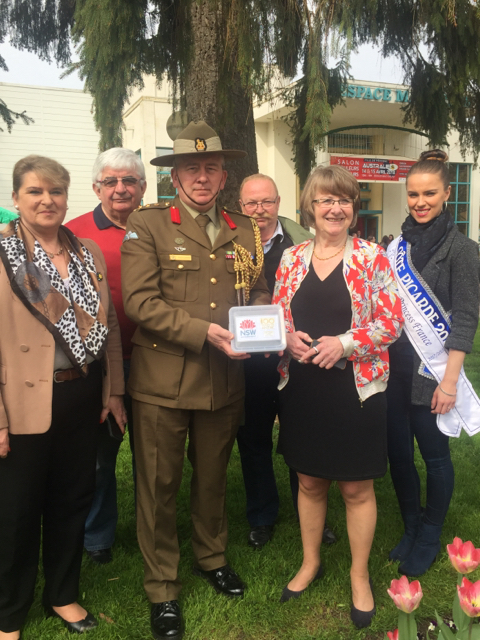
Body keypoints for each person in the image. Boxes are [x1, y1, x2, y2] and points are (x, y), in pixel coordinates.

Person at [121, 121, 270, 640]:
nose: (201, 177)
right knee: (159, 487)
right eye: (191, 168)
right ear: (175, 174)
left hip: (223, 380)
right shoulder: (147, 224)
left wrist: (258, 323)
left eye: (210, 167)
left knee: (212, 479)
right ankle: (162, 587)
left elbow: (256, 292)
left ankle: (212, 558)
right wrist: (203, 330)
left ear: (223, 173)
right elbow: (139, 302)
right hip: (162, 381)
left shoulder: (246, 230)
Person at [0, 155, 126, 640]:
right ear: (17, 199)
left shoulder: (86, 252)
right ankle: (9, 612)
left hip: (82, 395)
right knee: (15, 512)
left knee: (73, 499)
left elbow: (109, 326)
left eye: (55, 192)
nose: (46, 200)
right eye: (35, 192)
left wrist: (113, 390)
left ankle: (62, 594)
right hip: (22, 401)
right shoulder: (4, 253)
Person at [272, 165, 403, 628]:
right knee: (308, 480)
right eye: (326, 200)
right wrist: (285, 336)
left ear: (353, 208)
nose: (335, 208)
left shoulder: (373, 257)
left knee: (355, 486)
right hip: (303, 387)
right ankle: (311, 562)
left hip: (356, 389)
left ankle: (359, 574)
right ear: (310, 206)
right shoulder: (290, 259)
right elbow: (276, 316)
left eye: (344, 200)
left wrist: (345, 343)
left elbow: (391, 324)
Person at [386, 150, 480, 577]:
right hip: (393, 370)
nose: (420, 202)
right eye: (413, 194)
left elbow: (465, 317)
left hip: (432, 372)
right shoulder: (396, 245)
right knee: (399, 455)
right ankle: (409, 526)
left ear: (446, 194)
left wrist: (449, 381)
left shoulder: (463, 249)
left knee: (435, 456)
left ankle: (429, 534)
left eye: (429, 194)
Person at [236, 174, 336, 550]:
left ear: (278, 202)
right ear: (240, 206)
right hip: (253, 361)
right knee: (255, 439)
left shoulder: (302, 244)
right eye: (251, 204)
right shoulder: (232, 245)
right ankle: (261, 515)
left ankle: (312, 513)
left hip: (297, 359)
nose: (259, 211)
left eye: (266, 202)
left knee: (302, 437)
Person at [66, 148, 146, 565]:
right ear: (96, 187)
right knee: (99, 458)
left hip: (155, 360)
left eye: (129, 181)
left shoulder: (158, 228)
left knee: (150, 457)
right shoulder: (73, 234)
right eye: (111, 181)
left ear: (142, 188)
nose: (120, 189)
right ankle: (97, 538)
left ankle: (154, 531)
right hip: (101, 365)